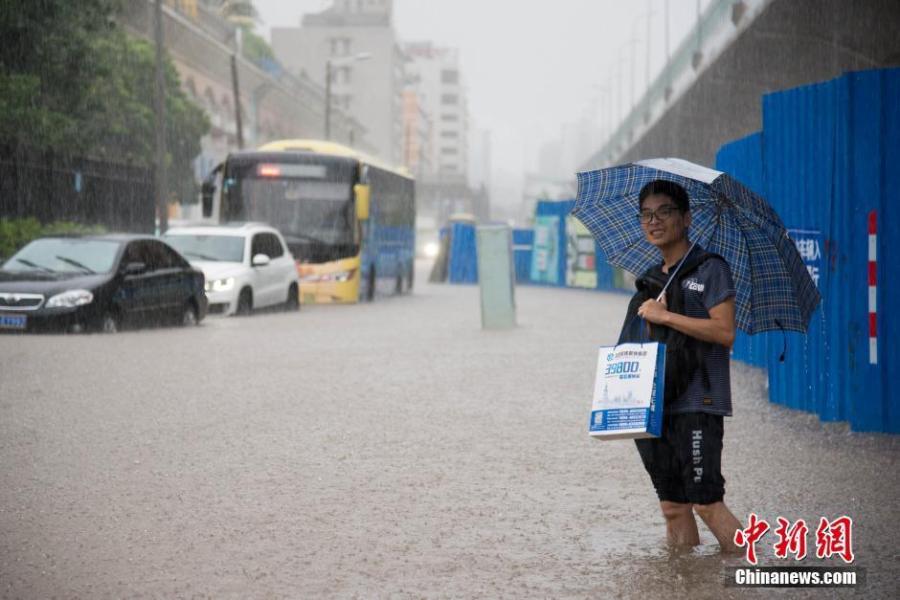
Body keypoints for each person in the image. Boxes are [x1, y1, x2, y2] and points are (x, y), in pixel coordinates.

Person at [618, 179, 742, 550]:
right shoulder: (650, 281)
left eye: (664, 212)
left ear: (686, 218)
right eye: (646, 215)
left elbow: (724, 332)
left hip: (697, 404)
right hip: (653, 405)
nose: (654, 221)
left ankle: (758, 571)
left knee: (707, 503)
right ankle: (683, 580)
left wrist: (667, 317)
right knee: (673, 507)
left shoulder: (710, 269)